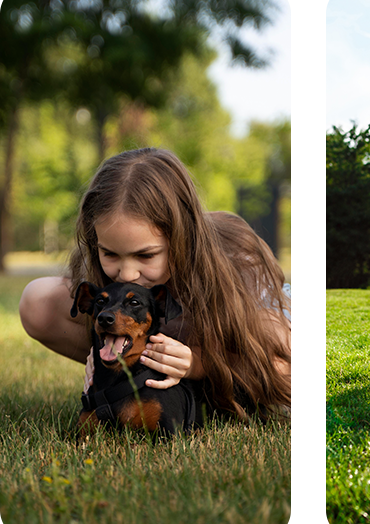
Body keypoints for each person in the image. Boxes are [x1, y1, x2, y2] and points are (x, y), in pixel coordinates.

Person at [19, 148, 292, 420]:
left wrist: (198, 364)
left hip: (240, 343)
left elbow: (281, 351)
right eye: (110, 254)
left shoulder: (233, 255)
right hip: (151, 341)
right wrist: (102, 347)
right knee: (38, 300)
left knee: (279, 351)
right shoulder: (105, 272)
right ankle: (130, 374)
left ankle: (215, 390)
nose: (126, 274)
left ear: (182, 237)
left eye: (146, 255)